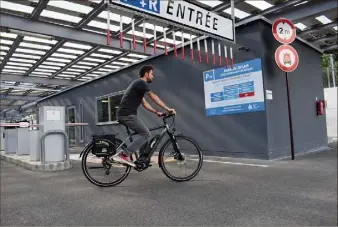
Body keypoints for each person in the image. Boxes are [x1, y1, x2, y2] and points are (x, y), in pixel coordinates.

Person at [112, 65, 176, 167]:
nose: (153, 76)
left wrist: (156, 112)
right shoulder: (141, 83)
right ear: (146, 73)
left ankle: (142, 159)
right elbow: (153, 96)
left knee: (145, 133)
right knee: (146, 134)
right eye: (151, 74)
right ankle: (125, 154)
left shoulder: (138, 85)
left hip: (125, 114)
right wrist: (168, 109)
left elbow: (145, 104)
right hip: (127, 114)